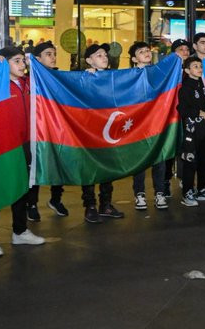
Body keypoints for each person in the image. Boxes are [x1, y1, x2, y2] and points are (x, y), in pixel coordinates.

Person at [0, 47, 45, 256]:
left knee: (22, 188)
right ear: (4, 63)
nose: (22, 65)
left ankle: (20, 231)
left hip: (25, 144)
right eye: (16, 60)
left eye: (23, 60)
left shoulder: (28, 83)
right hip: (1, 147)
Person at [79, 43, 126, 223]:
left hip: (108, 130)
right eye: (99, 55)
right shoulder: (82, 78)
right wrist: (85, 78)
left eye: (105, 55)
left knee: (108, 167)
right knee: (89, 169)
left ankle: (105, 204)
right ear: (89, 60)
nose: (104, 57)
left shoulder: (113, 77)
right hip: (89, 131)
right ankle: (90, 206)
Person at [25, 41, 69, 219]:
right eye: (48, 54)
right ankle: (32, 203)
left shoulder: (58, 76)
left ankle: (56, 199)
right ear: (37, 59)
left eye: (54, 54)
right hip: (36, 131)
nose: (53, 57)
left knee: (58, 164)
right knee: (36, 166)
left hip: (56, 129)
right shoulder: (28, 80)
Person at [128, 41, 169, 211]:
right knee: (140, 160)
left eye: (147, 50)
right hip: (137, 125)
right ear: (134, 59)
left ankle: (160, 193)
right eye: (141, 51)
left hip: (156, 123)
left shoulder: (157, 73)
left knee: (159, 159)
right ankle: (140, 194)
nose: (146, 53)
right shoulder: (128, 76)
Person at [178, 56, 205, 206]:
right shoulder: (185, 88)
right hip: (191, 131)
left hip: (204, 130)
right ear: (187, 70)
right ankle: (187, 192)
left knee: (204, 161)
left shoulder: (201, 85)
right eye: (195, 66)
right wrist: (199, 112)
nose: (199, 69)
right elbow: (182, 109)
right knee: (190, 161)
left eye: (200, 66)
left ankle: (202, 189)